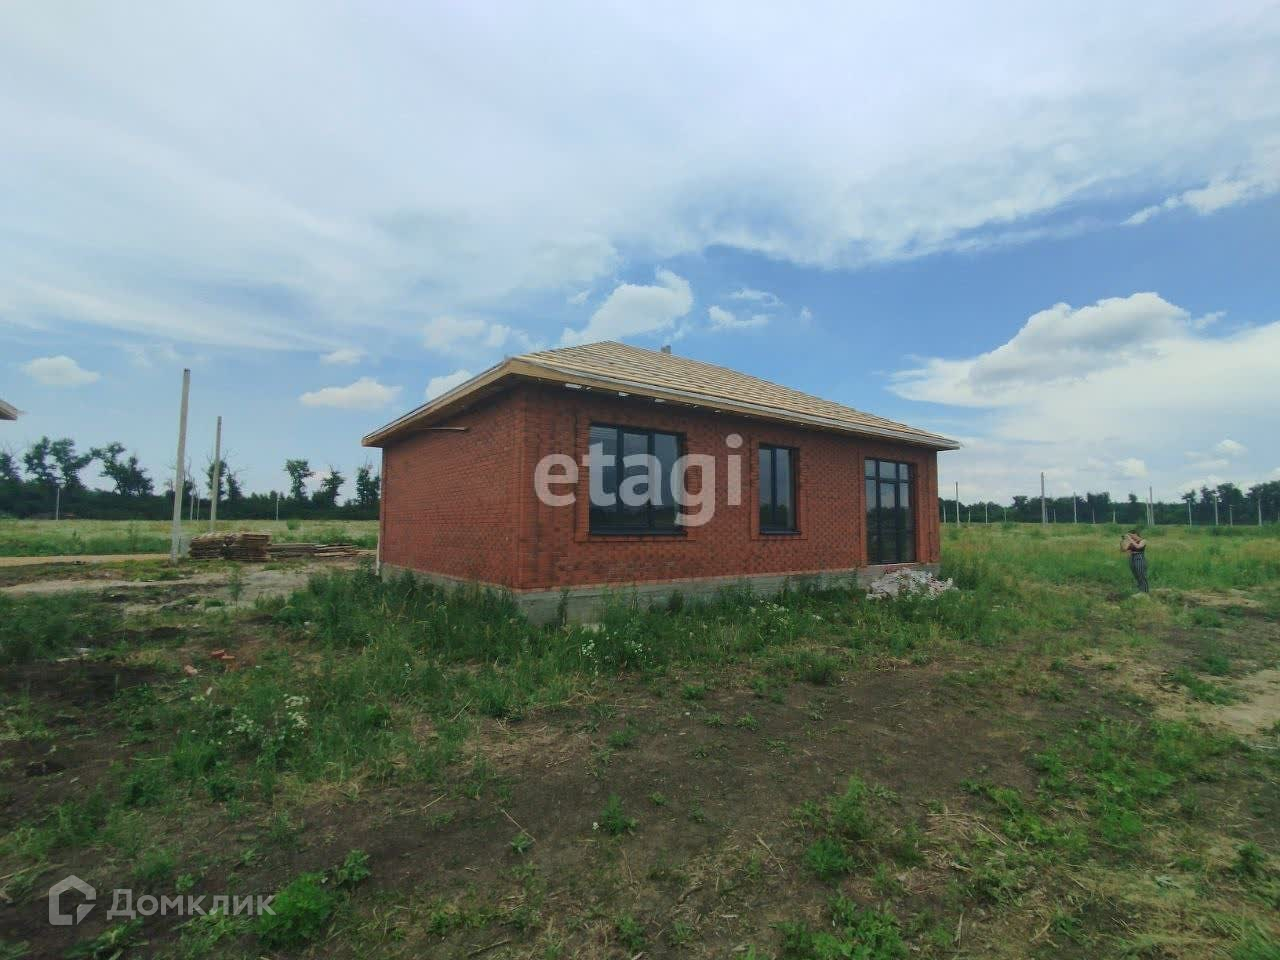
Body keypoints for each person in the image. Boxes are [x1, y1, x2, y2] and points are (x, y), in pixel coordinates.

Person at [1121, 529, 1148, 593]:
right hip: (1132, 558)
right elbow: (1124, 550)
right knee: (1136, 574)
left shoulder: (1143, 540)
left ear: (1136, 534)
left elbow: (1138, 546)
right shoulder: (1131, 542)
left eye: (1131, 535)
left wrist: (1130, 539)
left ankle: (1145, 591)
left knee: (1141, 575)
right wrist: (1123, 542)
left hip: (1139, 557)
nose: (1131, 537)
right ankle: (1140, 589)